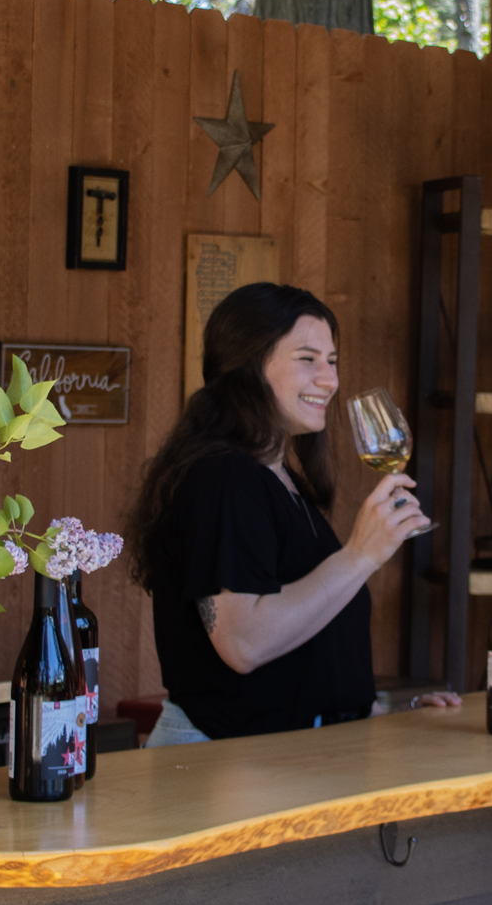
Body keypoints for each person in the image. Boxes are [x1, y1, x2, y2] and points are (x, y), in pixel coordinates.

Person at [129, 282, 460, 741]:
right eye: (307, 359)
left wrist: (384, 710)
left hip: (289, 760)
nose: (330, 379)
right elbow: (243, 644)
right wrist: (360, 555)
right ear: (246, 367)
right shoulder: (223, 479)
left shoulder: (279, 479)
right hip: (222, 769)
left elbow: (301, 657)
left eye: (332, 361)